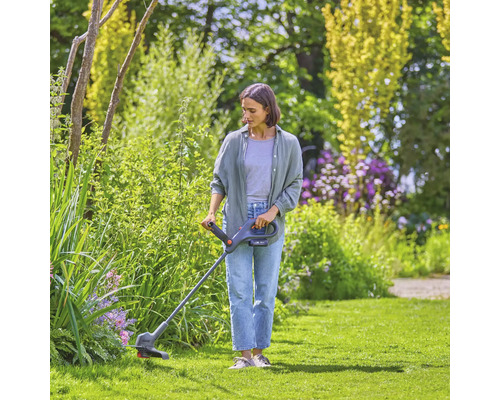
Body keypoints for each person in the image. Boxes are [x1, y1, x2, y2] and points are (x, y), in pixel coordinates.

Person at [201, 83, 303, 369]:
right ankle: (243, 356)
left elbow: (295, 183)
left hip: (269, 224)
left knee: (266, 290)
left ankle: (259, 354)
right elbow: (219, 180)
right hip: (237, 220)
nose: (245, 115)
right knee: (240, 289)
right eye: (244, 109)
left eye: (252, 110)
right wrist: (211, 212)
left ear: (267, 109)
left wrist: (274, 211)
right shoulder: (234, 141)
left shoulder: (289, 143)